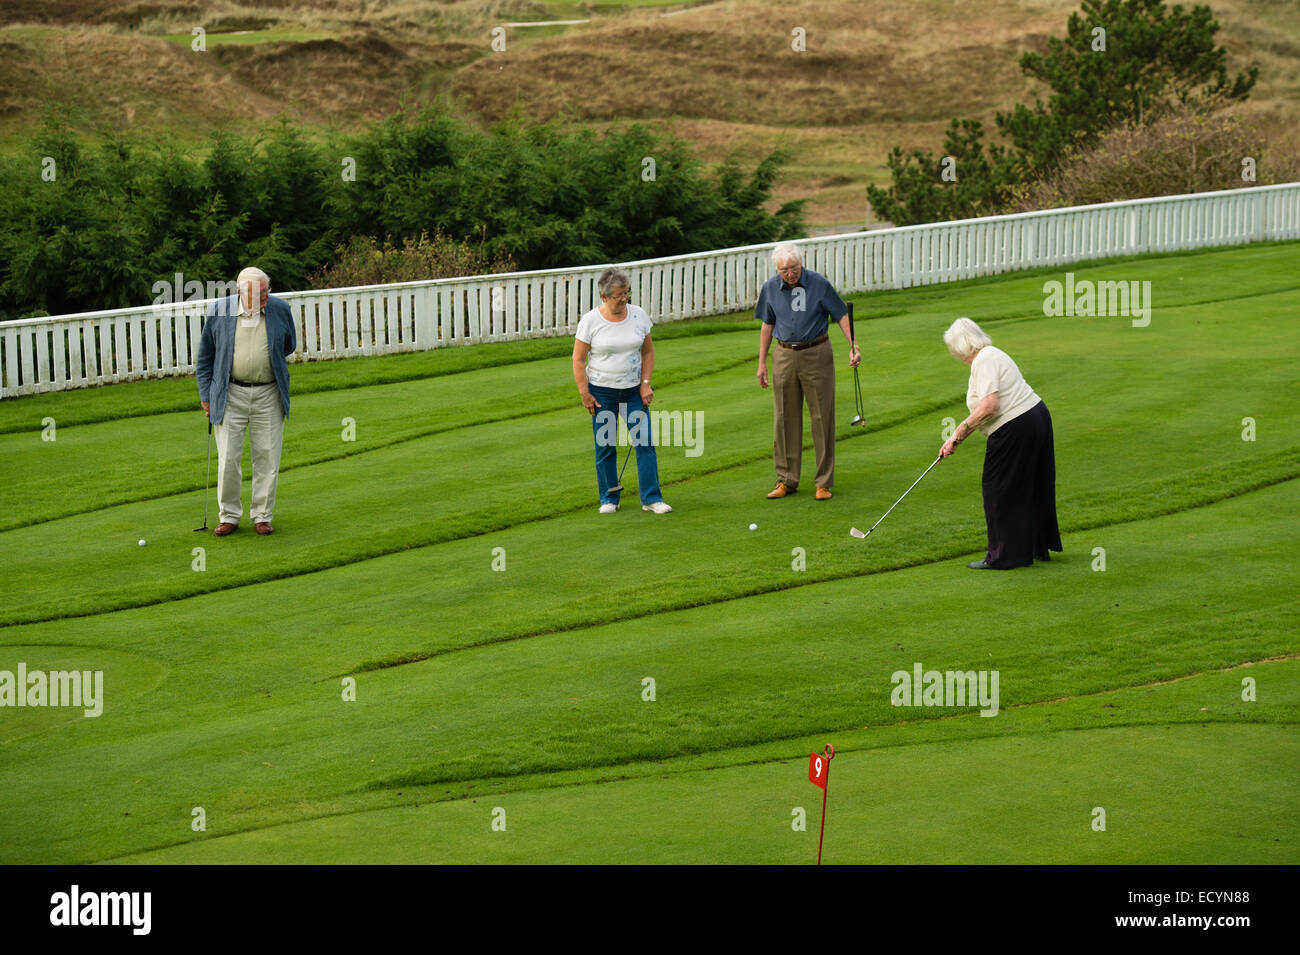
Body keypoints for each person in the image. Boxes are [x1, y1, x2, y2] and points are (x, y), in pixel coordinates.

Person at [939, 317, 1061, 569]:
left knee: (998, 489)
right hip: (1035, 417)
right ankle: (1035, 546)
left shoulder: (983, 360)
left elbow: (989, 407)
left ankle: (1005, 556)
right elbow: (986, 410)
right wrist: (957, 439)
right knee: (1032, 485)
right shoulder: (993, 354)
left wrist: (957, 433)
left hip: (1016, 426)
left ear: (959, 347)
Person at [196, 266, 297, 537]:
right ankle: (229, 516)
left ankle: (262, 516)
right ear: (240, 292)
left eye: (266, 292)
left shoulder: (280, 309)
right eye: (258, 294)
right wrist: (206, 396)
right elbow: (205, 357)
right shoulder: (220, 311)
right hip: (230, 393)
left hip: (268, 393)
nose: (264, 298)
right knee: (229, 457)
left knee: (267, 457)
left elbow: (289, 345)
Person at [755, 243, 861, 500]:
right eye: (784, 270)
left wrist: (853, 345)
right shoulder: (770, 288)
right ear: (776, 269)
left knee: (821, 417)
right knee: (784, 417)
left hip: (816, 352)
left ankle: (823, 482)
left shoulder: (818, 283)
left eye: (794, 268)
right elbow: (767, 324)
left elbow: (840, 315)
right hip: (783, 355)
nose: (790, 274)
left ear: (801, 264)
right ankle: (786, 480)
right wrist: (761, 363)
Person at [572, 268, 671, 514]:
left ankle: (651, 498)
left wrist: (645, 383)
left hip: (633, 392)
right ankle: (609, 498)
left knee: (644, 442)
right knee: (605, 445)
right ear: (604, 297)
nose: (624, 298)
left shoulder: (638, 316)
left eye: (626, 293)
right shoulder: (591, 321)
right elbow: (578, 360)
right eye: (618, 295)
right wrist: (585, 393)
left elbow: (647, 351)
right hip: (602, 393)